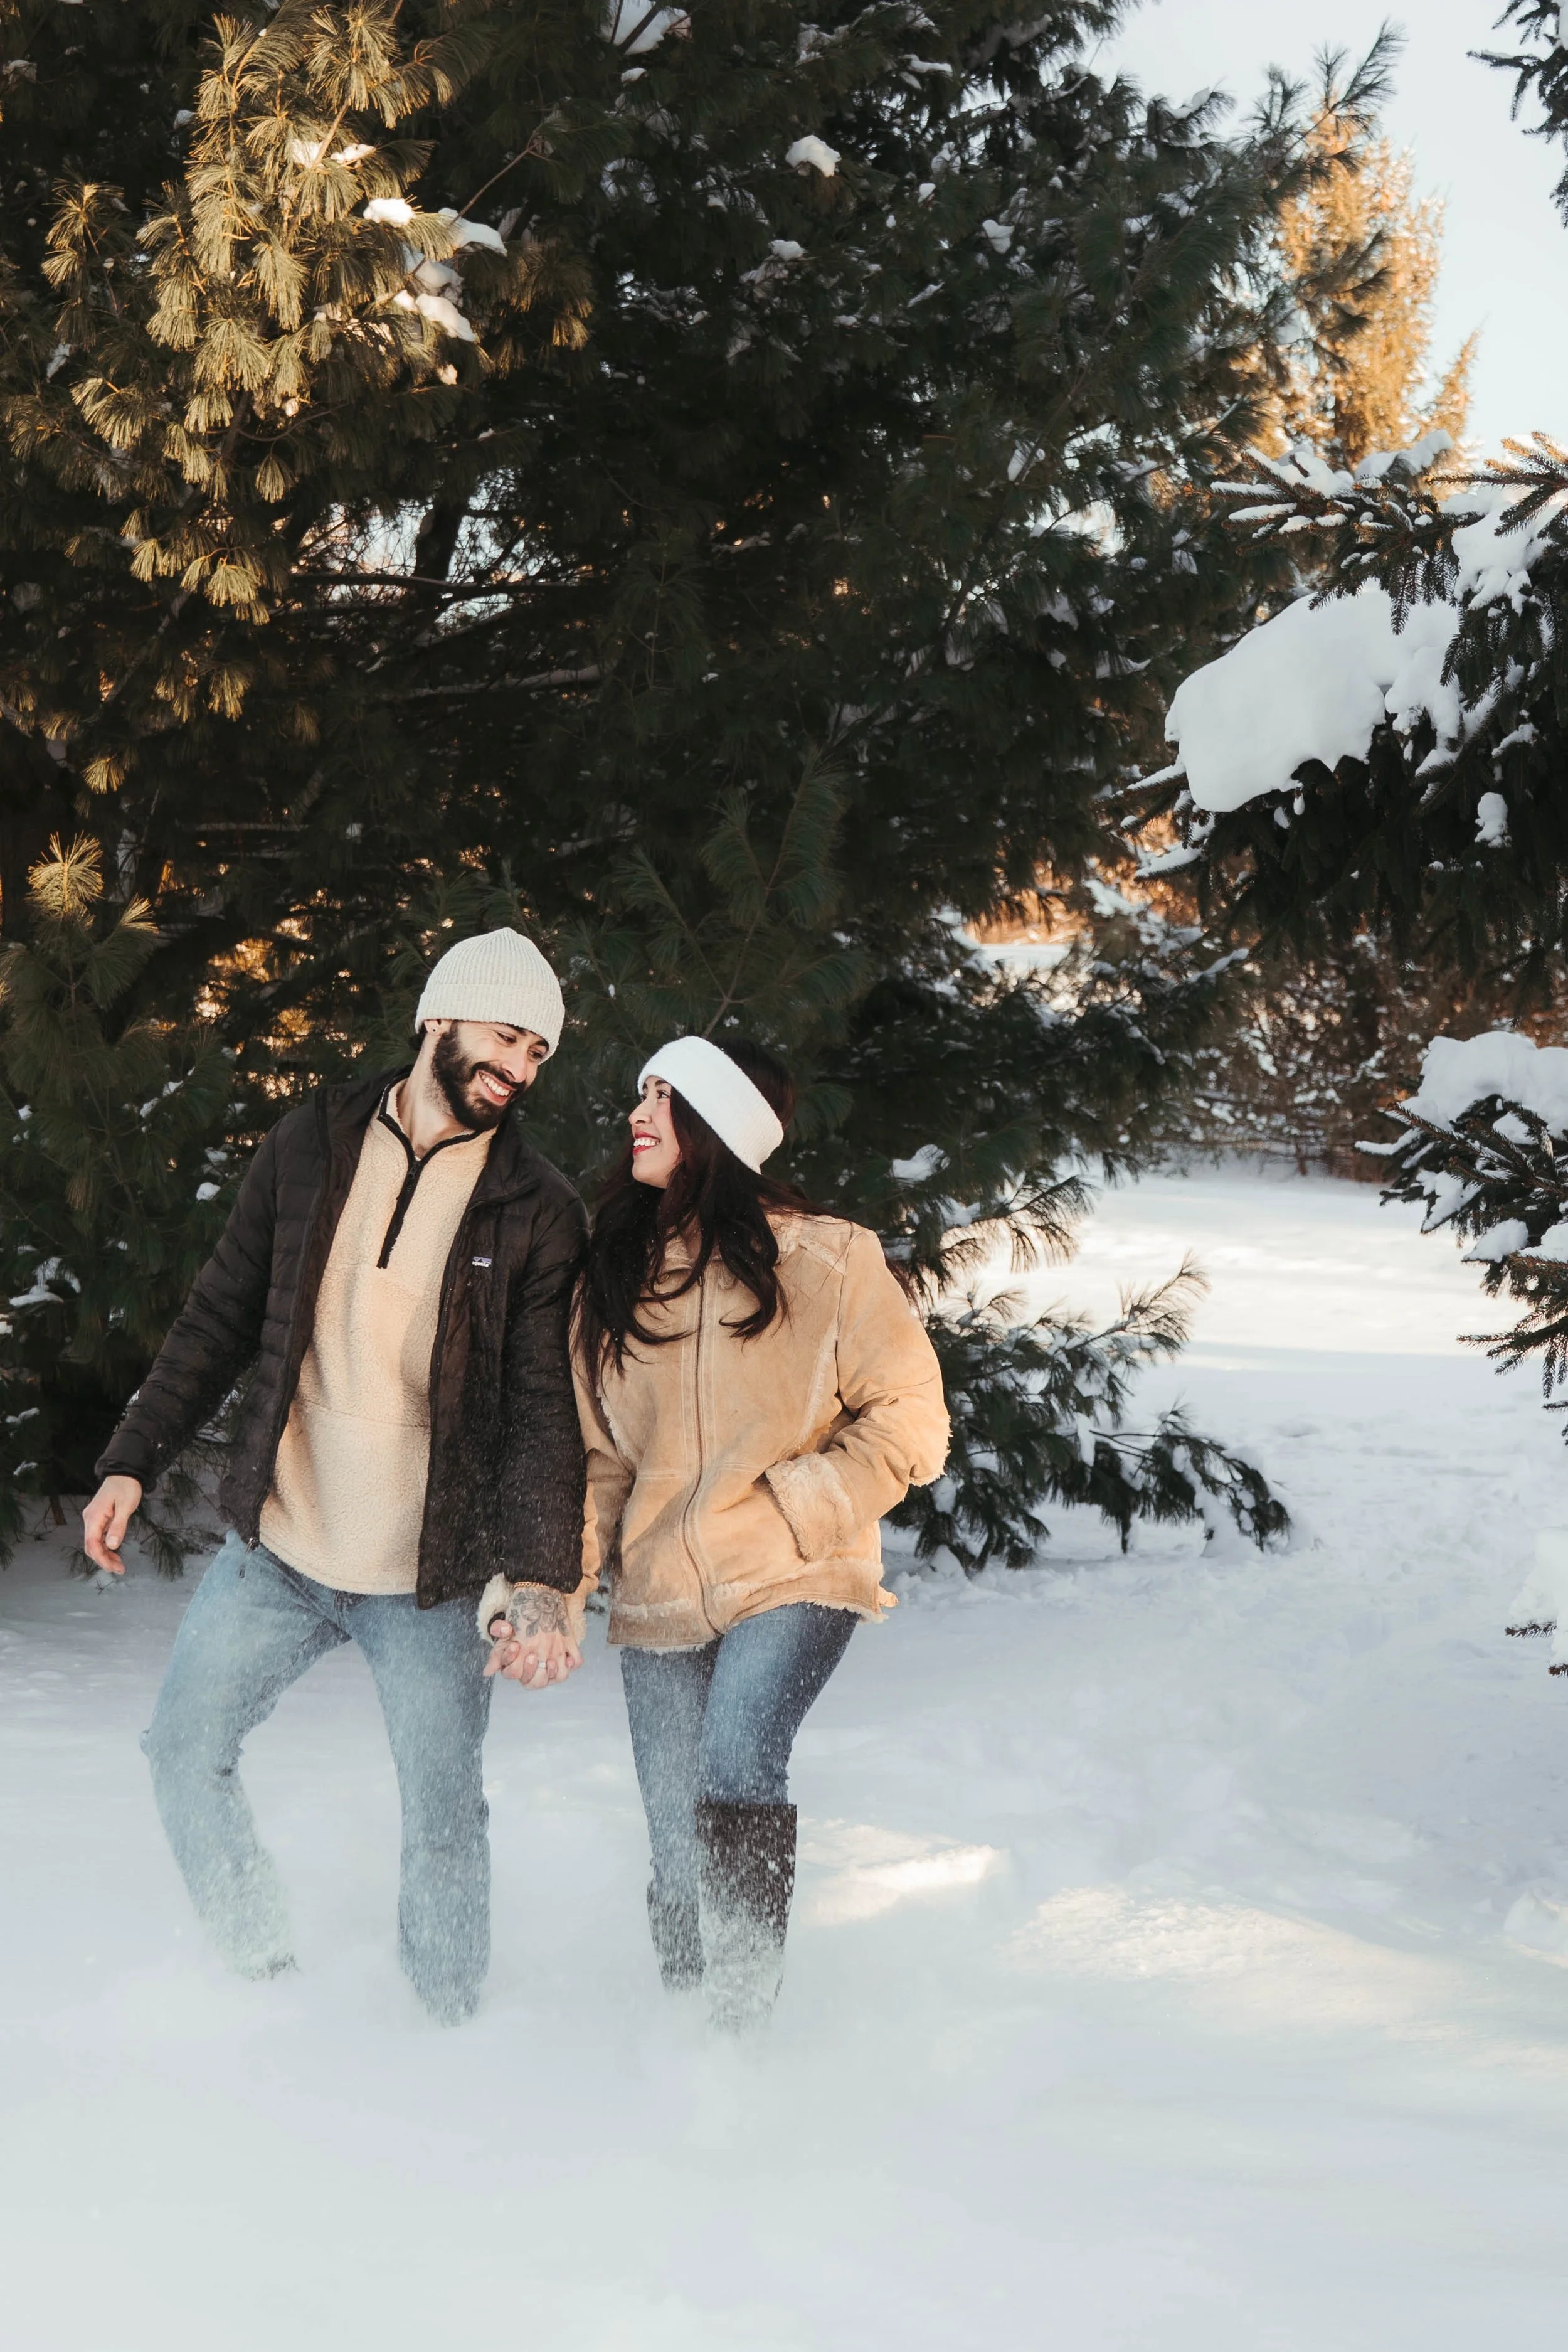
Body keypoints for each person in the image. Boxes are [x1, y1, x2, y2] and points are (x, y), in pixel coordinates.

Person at [82, 929, 588, 2025]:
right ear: (438, 1019)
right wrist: (132, 1457)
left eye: (539, 1053)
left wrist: (543, 1577)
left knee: (443, 1816)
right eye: (506, 1038)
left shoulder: (536, 1208)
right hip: (285, 1546)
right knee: (181, 1750)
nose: (522, 1068)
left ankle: (449, 2033)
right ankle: (258, 1977)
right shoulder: (311, 1142)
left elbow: (546, 1412)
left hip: (428, 1575)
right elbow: (221, 1315)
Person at [490, 1035, 948, 2030]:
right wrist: (548, 1594)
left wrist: (804, 1506)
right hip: (661, 1595)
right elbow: (597, 1466)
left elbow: (912, 1417)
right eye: (639, 1090)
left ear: (719, 1127)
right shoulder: (615, 1278)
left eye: (664, 1095)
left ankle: (743, 2033)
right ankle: (687, 2034)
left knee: (739, 1764)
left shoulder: (830, 1258)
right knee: (672, 1839)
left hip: (795, 1574)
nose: (636, 1113)